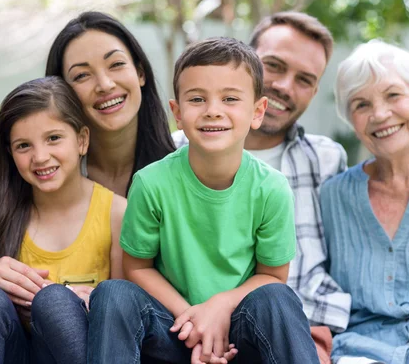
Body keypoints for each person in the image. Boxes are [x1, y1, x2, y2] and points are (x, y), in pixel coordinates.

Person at [88, 37, 320, 364]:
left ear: (257, 111)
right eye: (197, 99)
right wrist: (193, 317)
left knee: (277, 299)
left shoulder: (271, 188)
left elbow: (272, 276)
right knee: (113, 294)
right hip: (173, 326)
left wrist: (219, 307)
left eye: (229, 99)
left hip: (239, 329)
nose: (213, 111)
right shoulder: (151, 183)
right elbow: (136, 266)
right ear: (178, 113)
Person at [173, 12, 351, 363]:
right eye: (275, 66)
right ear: (247, 60)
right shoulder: (172, 153)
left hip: (297, 327)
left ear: (315, 91)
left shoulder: (327, 160)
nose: (286, 86)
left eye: (304, 79)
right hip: (192, 327)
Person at [0, 77, 126, 364]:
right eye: (23, 146)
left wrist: (97, 303)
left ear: (82, 140)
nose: (40, 157)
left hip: (81, 353)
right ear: (10, 153)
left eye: (53, 138)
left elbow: (127, 317)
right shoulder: (0, 210)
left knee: (55, 303)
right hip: (14, 352)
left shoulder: (117, 213)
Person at [321, 40, 409, 364]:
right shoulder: (332, 197)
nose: (380, 114)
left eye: (393, 95)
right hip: (360, 353)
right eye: (361, 105)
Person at [45, 11, 176, 197]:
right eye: (82, 75)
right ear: (62, 93)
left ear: (140, 73)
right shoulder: (47, 180)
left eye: (116, 64)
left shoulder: (189, 162)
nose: (105, 85)